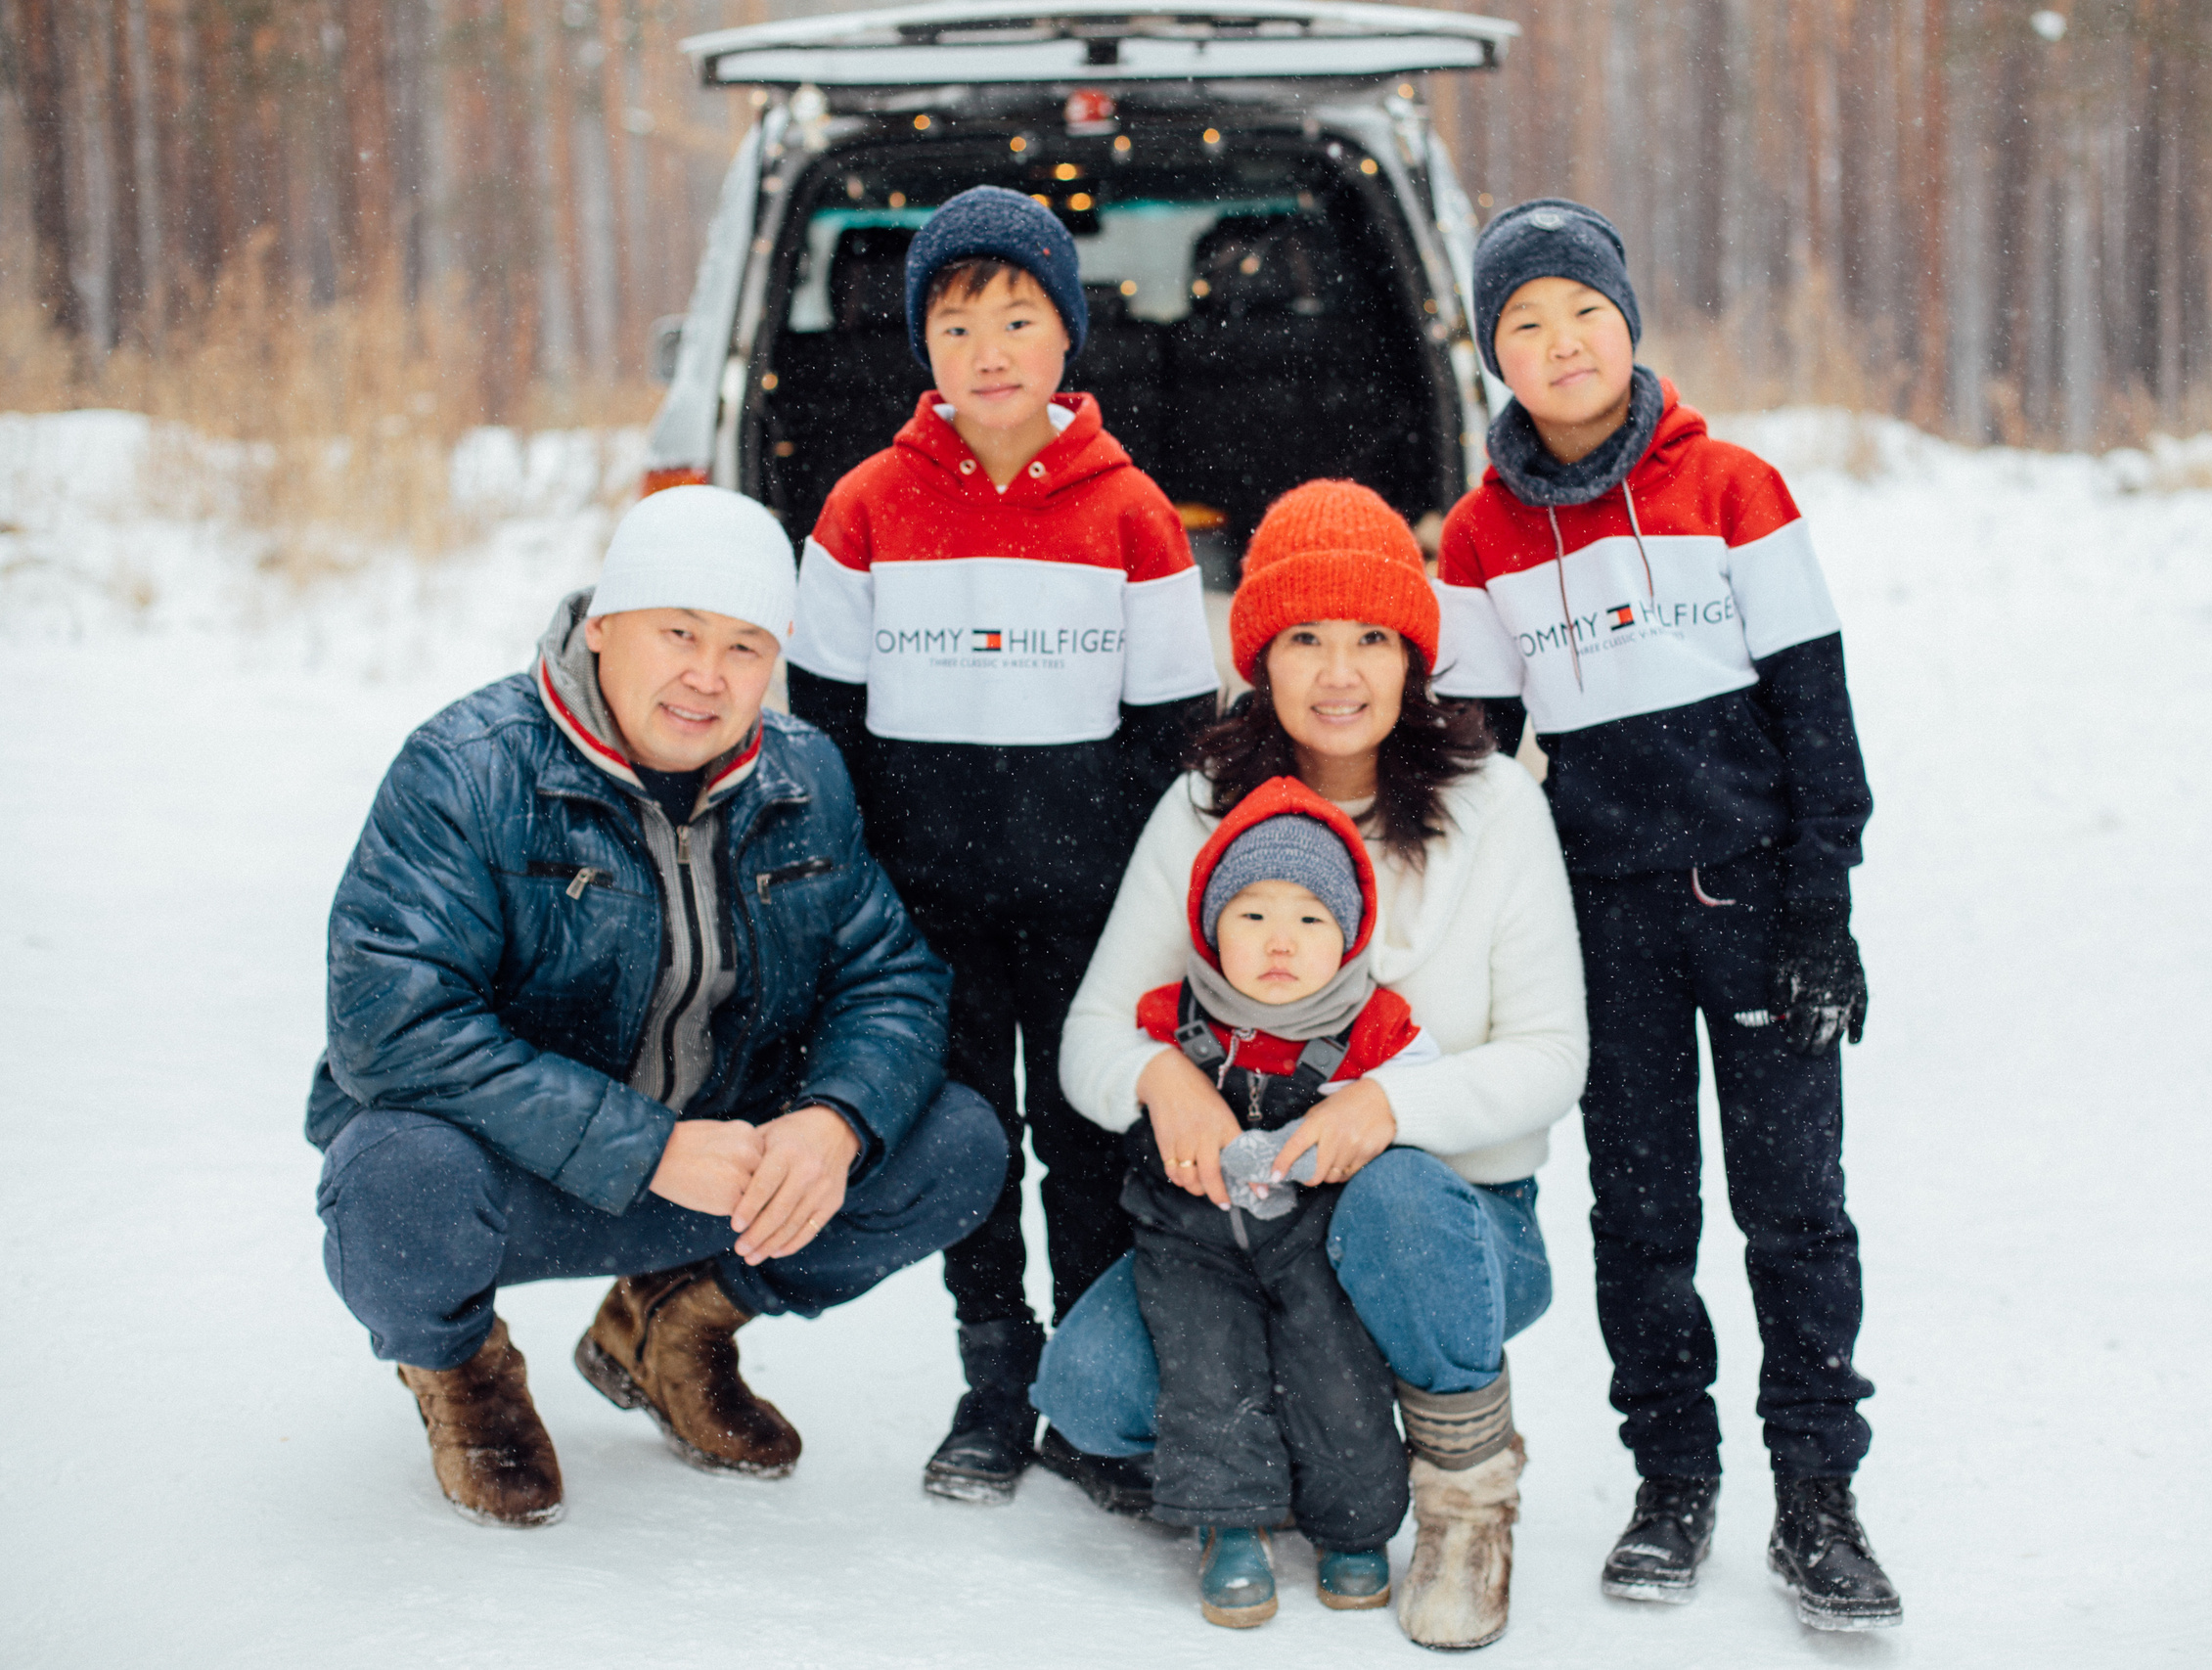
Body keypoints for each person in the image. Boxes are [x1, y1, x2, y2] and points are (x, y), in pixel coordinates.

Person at [307, 484, 1006, 1528]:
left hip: (721, 1174)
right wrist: (644, 1147)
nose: (706, 677)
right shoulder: (467, 768)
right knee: (394, 1178)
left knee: (955, 1143)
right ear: (603, 627)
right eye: (677, 632)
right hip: (518, 1176)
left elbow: (891, 980)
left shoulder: (804, 775)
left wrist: (831, 1121)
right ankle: (463, 1376)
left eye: (744, 647)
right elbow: (390, 1024)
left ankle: (673, 1325)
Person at [1431, 199, 1899, 1630]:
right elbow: (1472, 743)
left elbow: (1817, 713)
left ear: (1629, 322)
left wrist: (1823, 899)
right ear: (1495, 351)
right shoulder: (1480, 532)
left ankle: (1817, 1493)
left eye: (1583, 312)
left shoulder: (1734, 487)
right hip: (1605, 919)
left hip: (1755, 902)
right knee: (1641, 1213)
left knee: (1793, 1210)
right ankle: (1672, 1479)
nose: (1560, 343)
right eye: (1526, 322)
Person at [1048, 479, 1588, 1650]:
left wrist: (1388, 1105)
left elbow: (1551, 1056)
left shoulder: (1494, 807)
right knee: (1088, 1389)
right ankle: (1309, 1445)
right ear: (1259, 657)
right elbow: (1095, 1031)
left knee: (1390, 1198)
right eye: (1303, 639)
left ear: (1413, 659)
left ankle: (1462, 1494)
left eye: (1371, 639)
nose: (1338, 674)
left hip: (1448, 1223)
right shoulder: (1203, 811)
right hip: (1246, 1236)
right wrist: (1162, 1079)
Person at [783, 186, 1222, 1506]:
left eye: (1019, 317)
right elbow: (825, 725)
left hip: (1087, 914)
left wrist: (1146, 902)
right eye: (958, 320)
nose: (989, 348)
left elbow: (1172, 732)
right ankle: (994, 1376)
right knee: (969, 1136)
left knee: (1089, 1134)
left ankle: (1089, 1399)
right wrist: (856, 890)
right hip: (932, 910)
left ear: (1065, 337)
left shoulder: (1131, 512)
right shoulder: (864, 507)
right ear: (922, 343)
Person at [1126, 776, 1434, 1627]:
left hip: (1314, 1236)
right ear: (1209, 925)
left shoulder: (1375, 1024)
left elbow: (1425, 1081)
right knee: (1207, 1372)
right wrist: (1156, 1078)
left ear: (1349, 933)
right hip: (1191, 1236)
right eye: (1251, 915)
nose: (1279, 941)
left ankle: (1355, 1525)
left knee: (1335, 1373)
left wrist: (1367, 1108)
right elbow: (1109, 1054)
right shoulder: (1173, 1015)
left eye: (1310, 919)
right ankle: (1231, 1524)